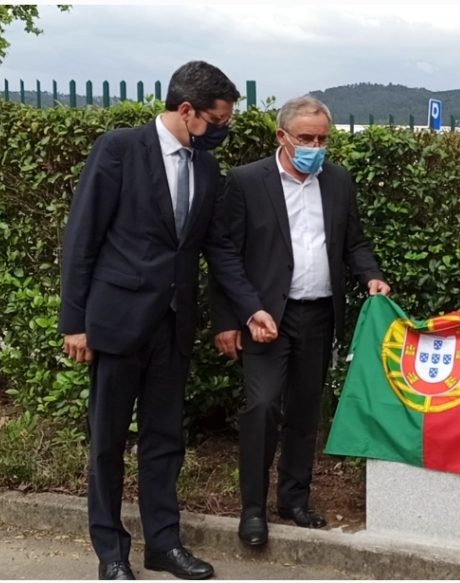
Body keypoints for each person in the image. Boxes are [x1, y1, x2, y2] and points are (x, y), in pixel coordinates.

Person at [59, 61, 278, 581]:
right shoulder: (118, 150)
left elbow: (216, 249)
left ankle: (163, 543)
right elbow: (82, 236)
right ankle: (111, 553)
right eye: (218, 119)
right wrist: (74, 322)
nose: (223, 129)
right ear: (187, 111)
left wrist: (251, 306)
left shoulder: (206, 169)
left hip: (172, 326)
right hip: (116, 323)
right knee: (108, 440)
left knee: (164, 440)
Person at [210, 96, 389, 548]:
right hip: (267, 317)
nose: (315, 147)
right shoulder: (248, 182)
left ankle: (293, 498)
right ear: (282, 137)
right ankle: (252, 508)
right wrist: (236, 316)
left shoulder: (338, 181)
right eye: (306, 138)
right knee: (263, 406)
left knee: (307, 412)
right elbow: (225, 254)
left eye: (323, 139)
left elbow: (355, 243)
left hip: (319, 314)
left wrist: (371, 276)